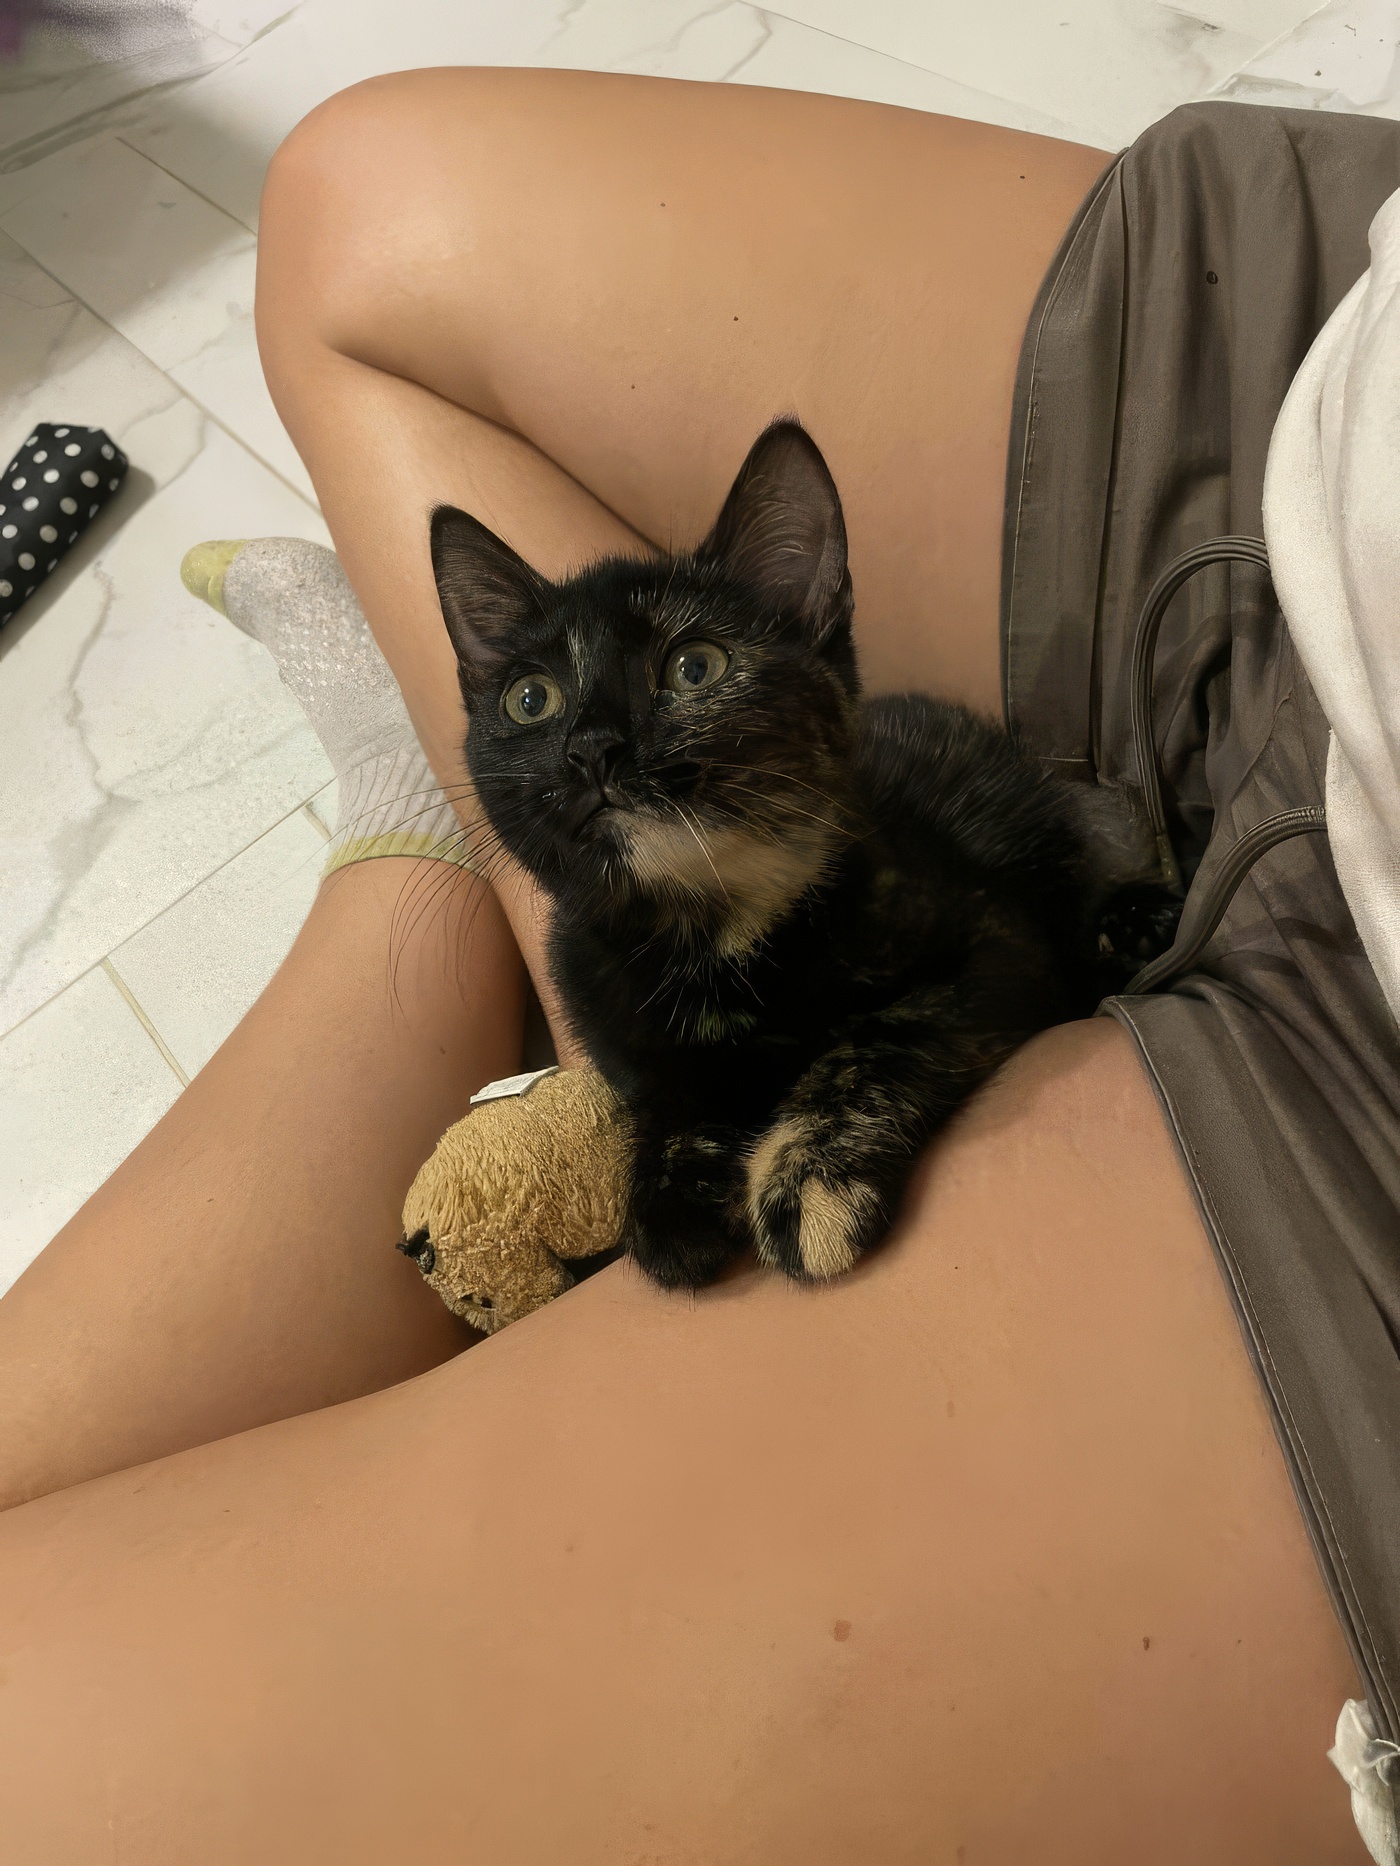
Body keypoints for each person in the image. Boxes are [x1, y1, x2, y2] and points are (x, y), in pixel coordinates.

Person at [0, 69, 1392, 1863]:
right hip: (1340, 389)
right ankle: (455, 879)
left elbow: (967, 963)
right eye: (523, 695)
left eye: (689, 672)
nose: (586, 727)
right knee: (341, 204)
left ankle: (411, 871)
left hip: (1349, 1065)